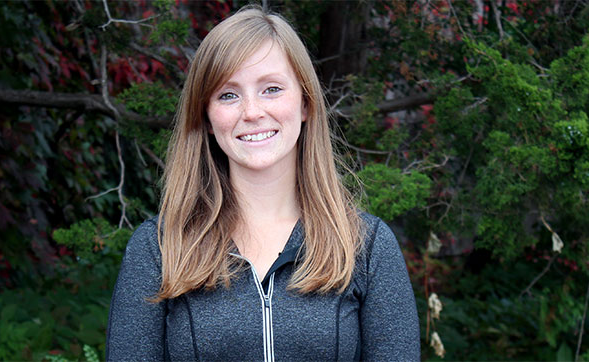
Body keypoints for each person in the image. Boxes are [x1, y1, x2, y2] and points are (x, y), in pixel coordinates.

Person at [106, 5, 419, 361]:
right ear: (207, 116)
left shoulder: (366, 247)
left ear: (305, 103)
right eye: (228, 95)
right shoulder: (159, 249)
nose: (252, 112)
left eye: (271, 89)